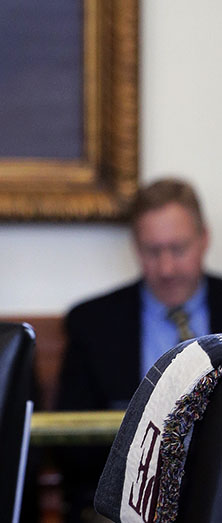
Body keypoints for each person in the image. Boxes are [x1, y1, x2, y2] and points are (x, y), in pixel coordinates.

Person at [57, 177, 222, 522]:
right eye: (152, 251)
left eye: (178, 249)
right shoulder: (92, 323)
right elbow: (72, 447)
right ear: (135, 246)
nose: (166, 268)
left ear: (204, 239)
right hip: (124, 506)